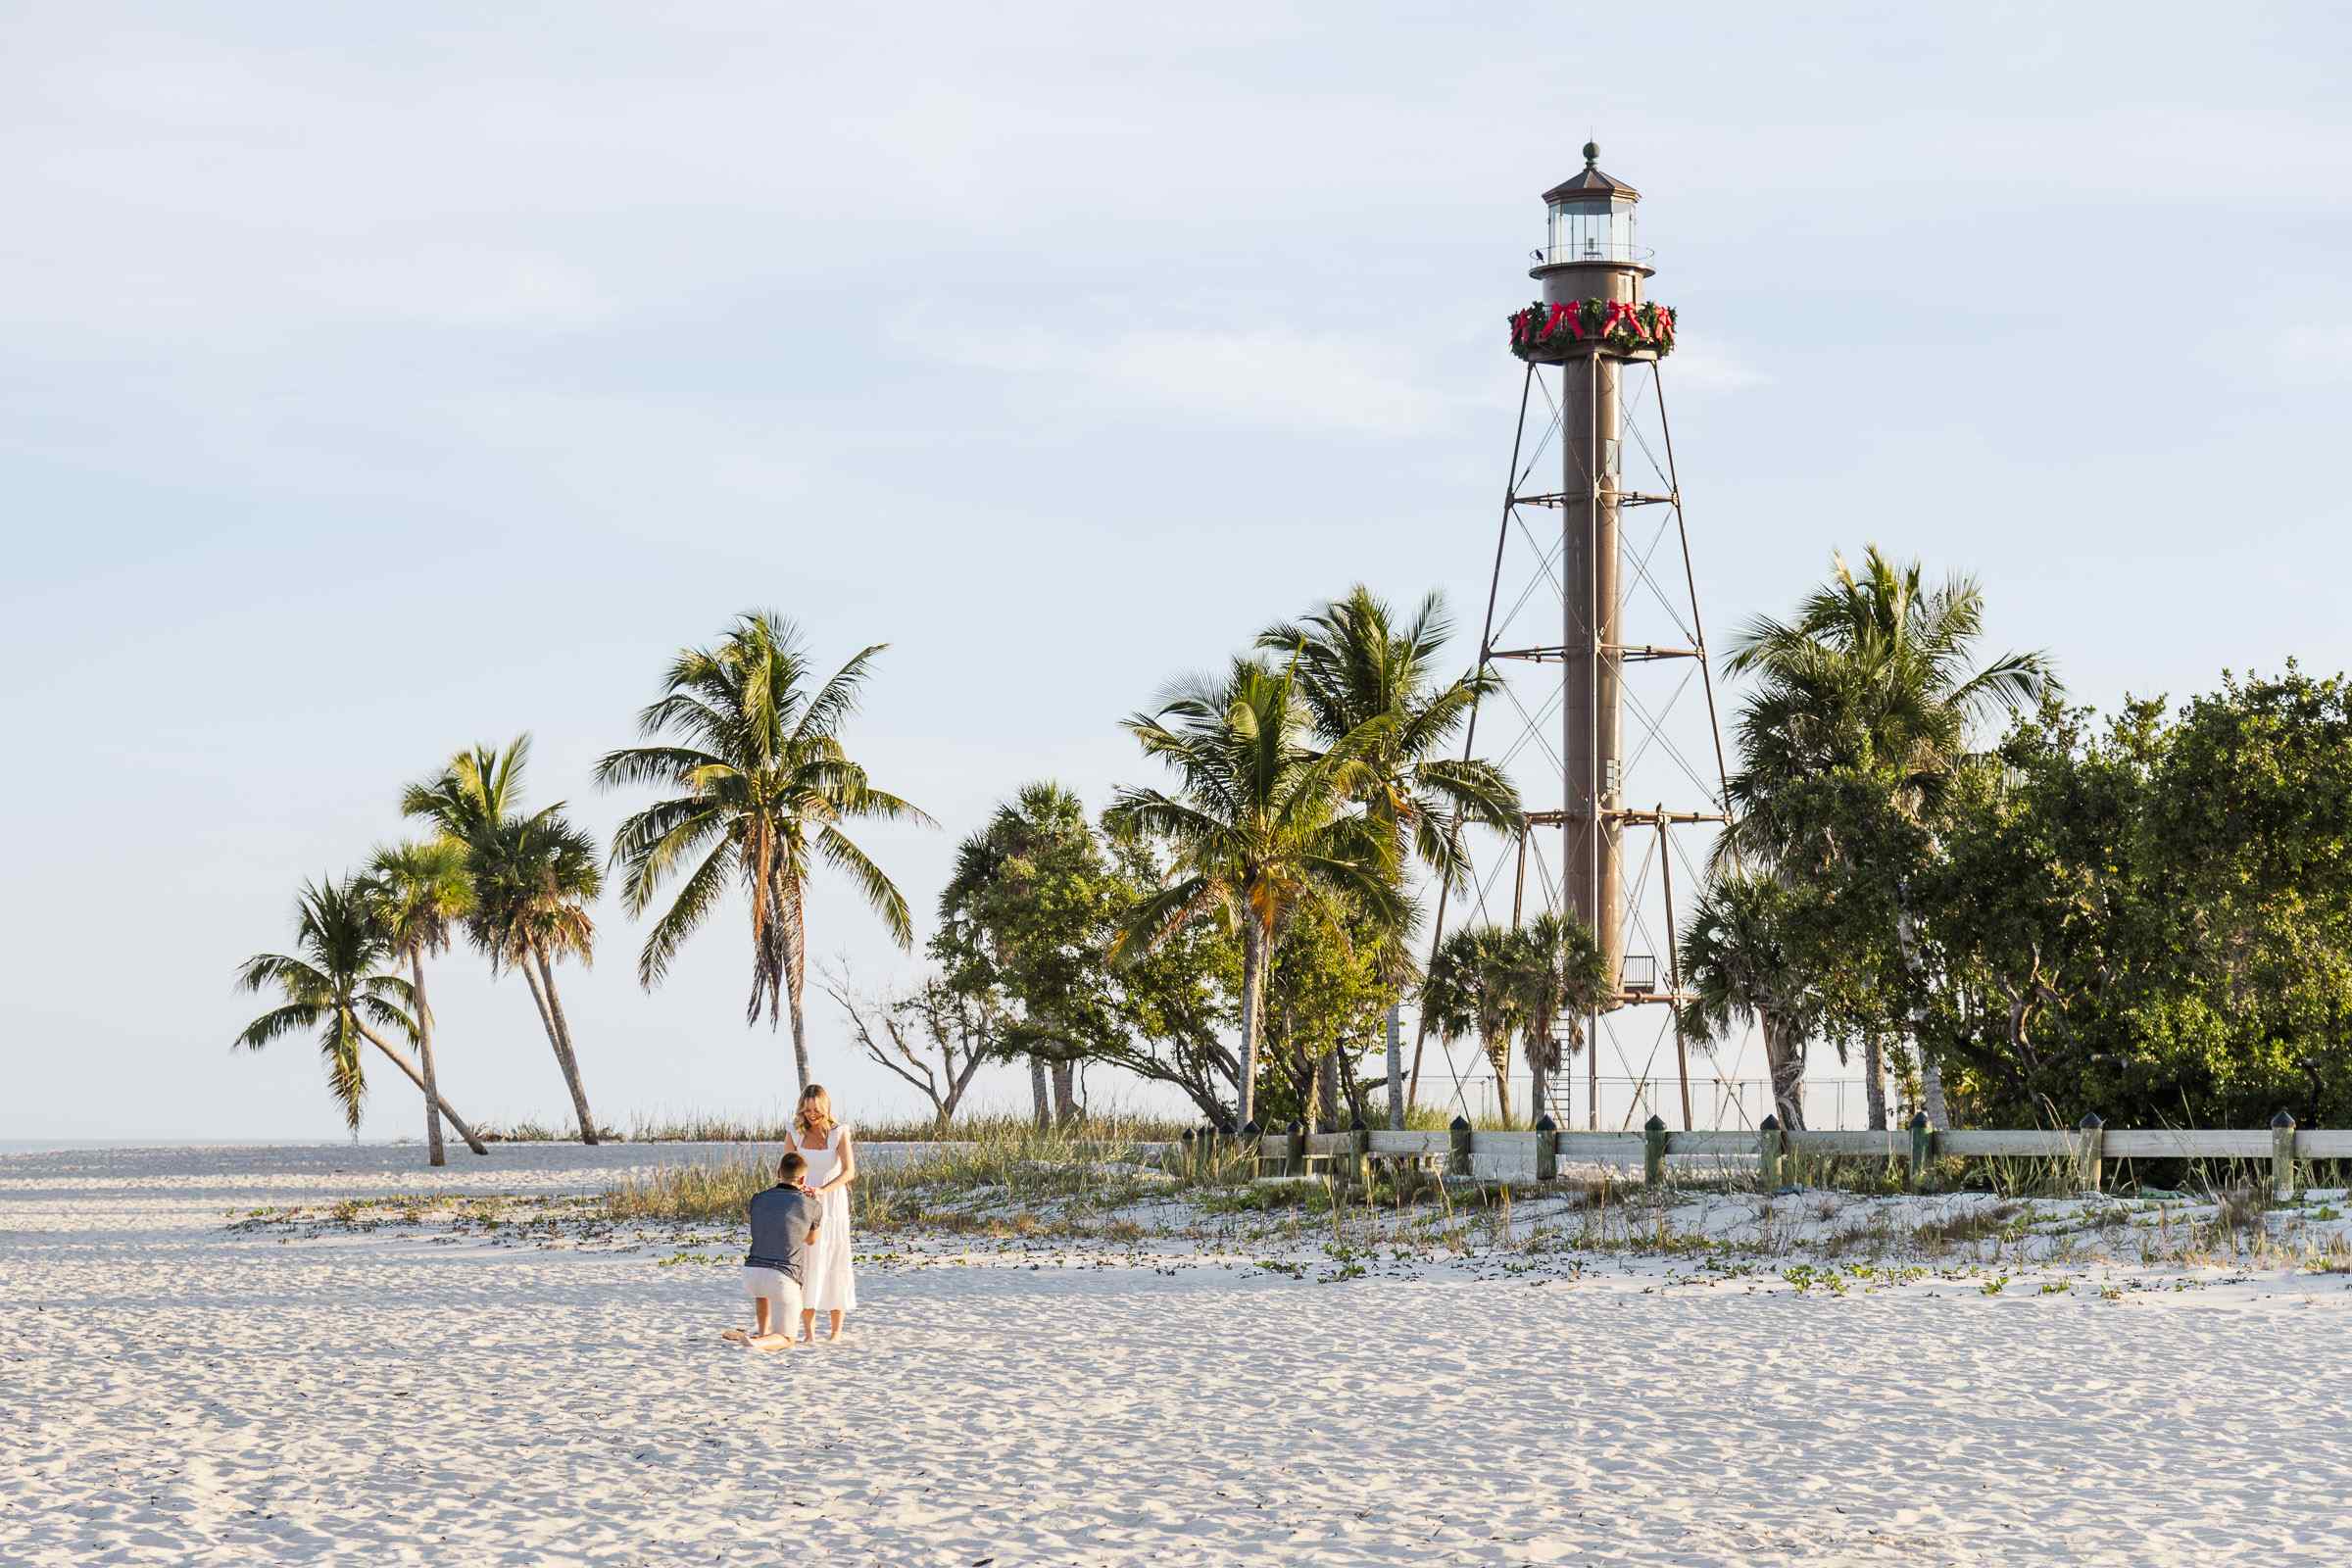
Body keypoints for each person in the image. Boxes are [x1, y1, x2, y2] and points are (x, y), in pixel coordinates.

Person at [723, 1151, 820, 1350]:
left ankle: (761, 1330)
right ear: (803, 1178)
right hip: (783, 1276)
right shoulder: (811, 1204)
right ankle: (758, 1341)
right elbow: (811, 1240)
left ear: (778, 1173)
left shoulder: (757, 1198)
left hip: (751, 1274)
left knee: (763, 1293)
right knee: (787, 1339)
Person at [791, 1084, 858, 1342]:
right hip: (803, 1200)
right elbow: (786, 1168)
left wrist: (823, 1190)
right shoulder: (795, 1134)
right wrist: (800, 1188)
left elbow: (848, 1172)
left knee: (834, 1259)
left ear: (825, 1108)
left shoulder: (838, 1133)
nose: (811, 1114)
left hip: (833, 1203)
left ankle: (836, 1332)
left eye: (816, 1109)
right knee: (808, 1259)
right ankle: (808, 1332)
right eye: (806, 1109)